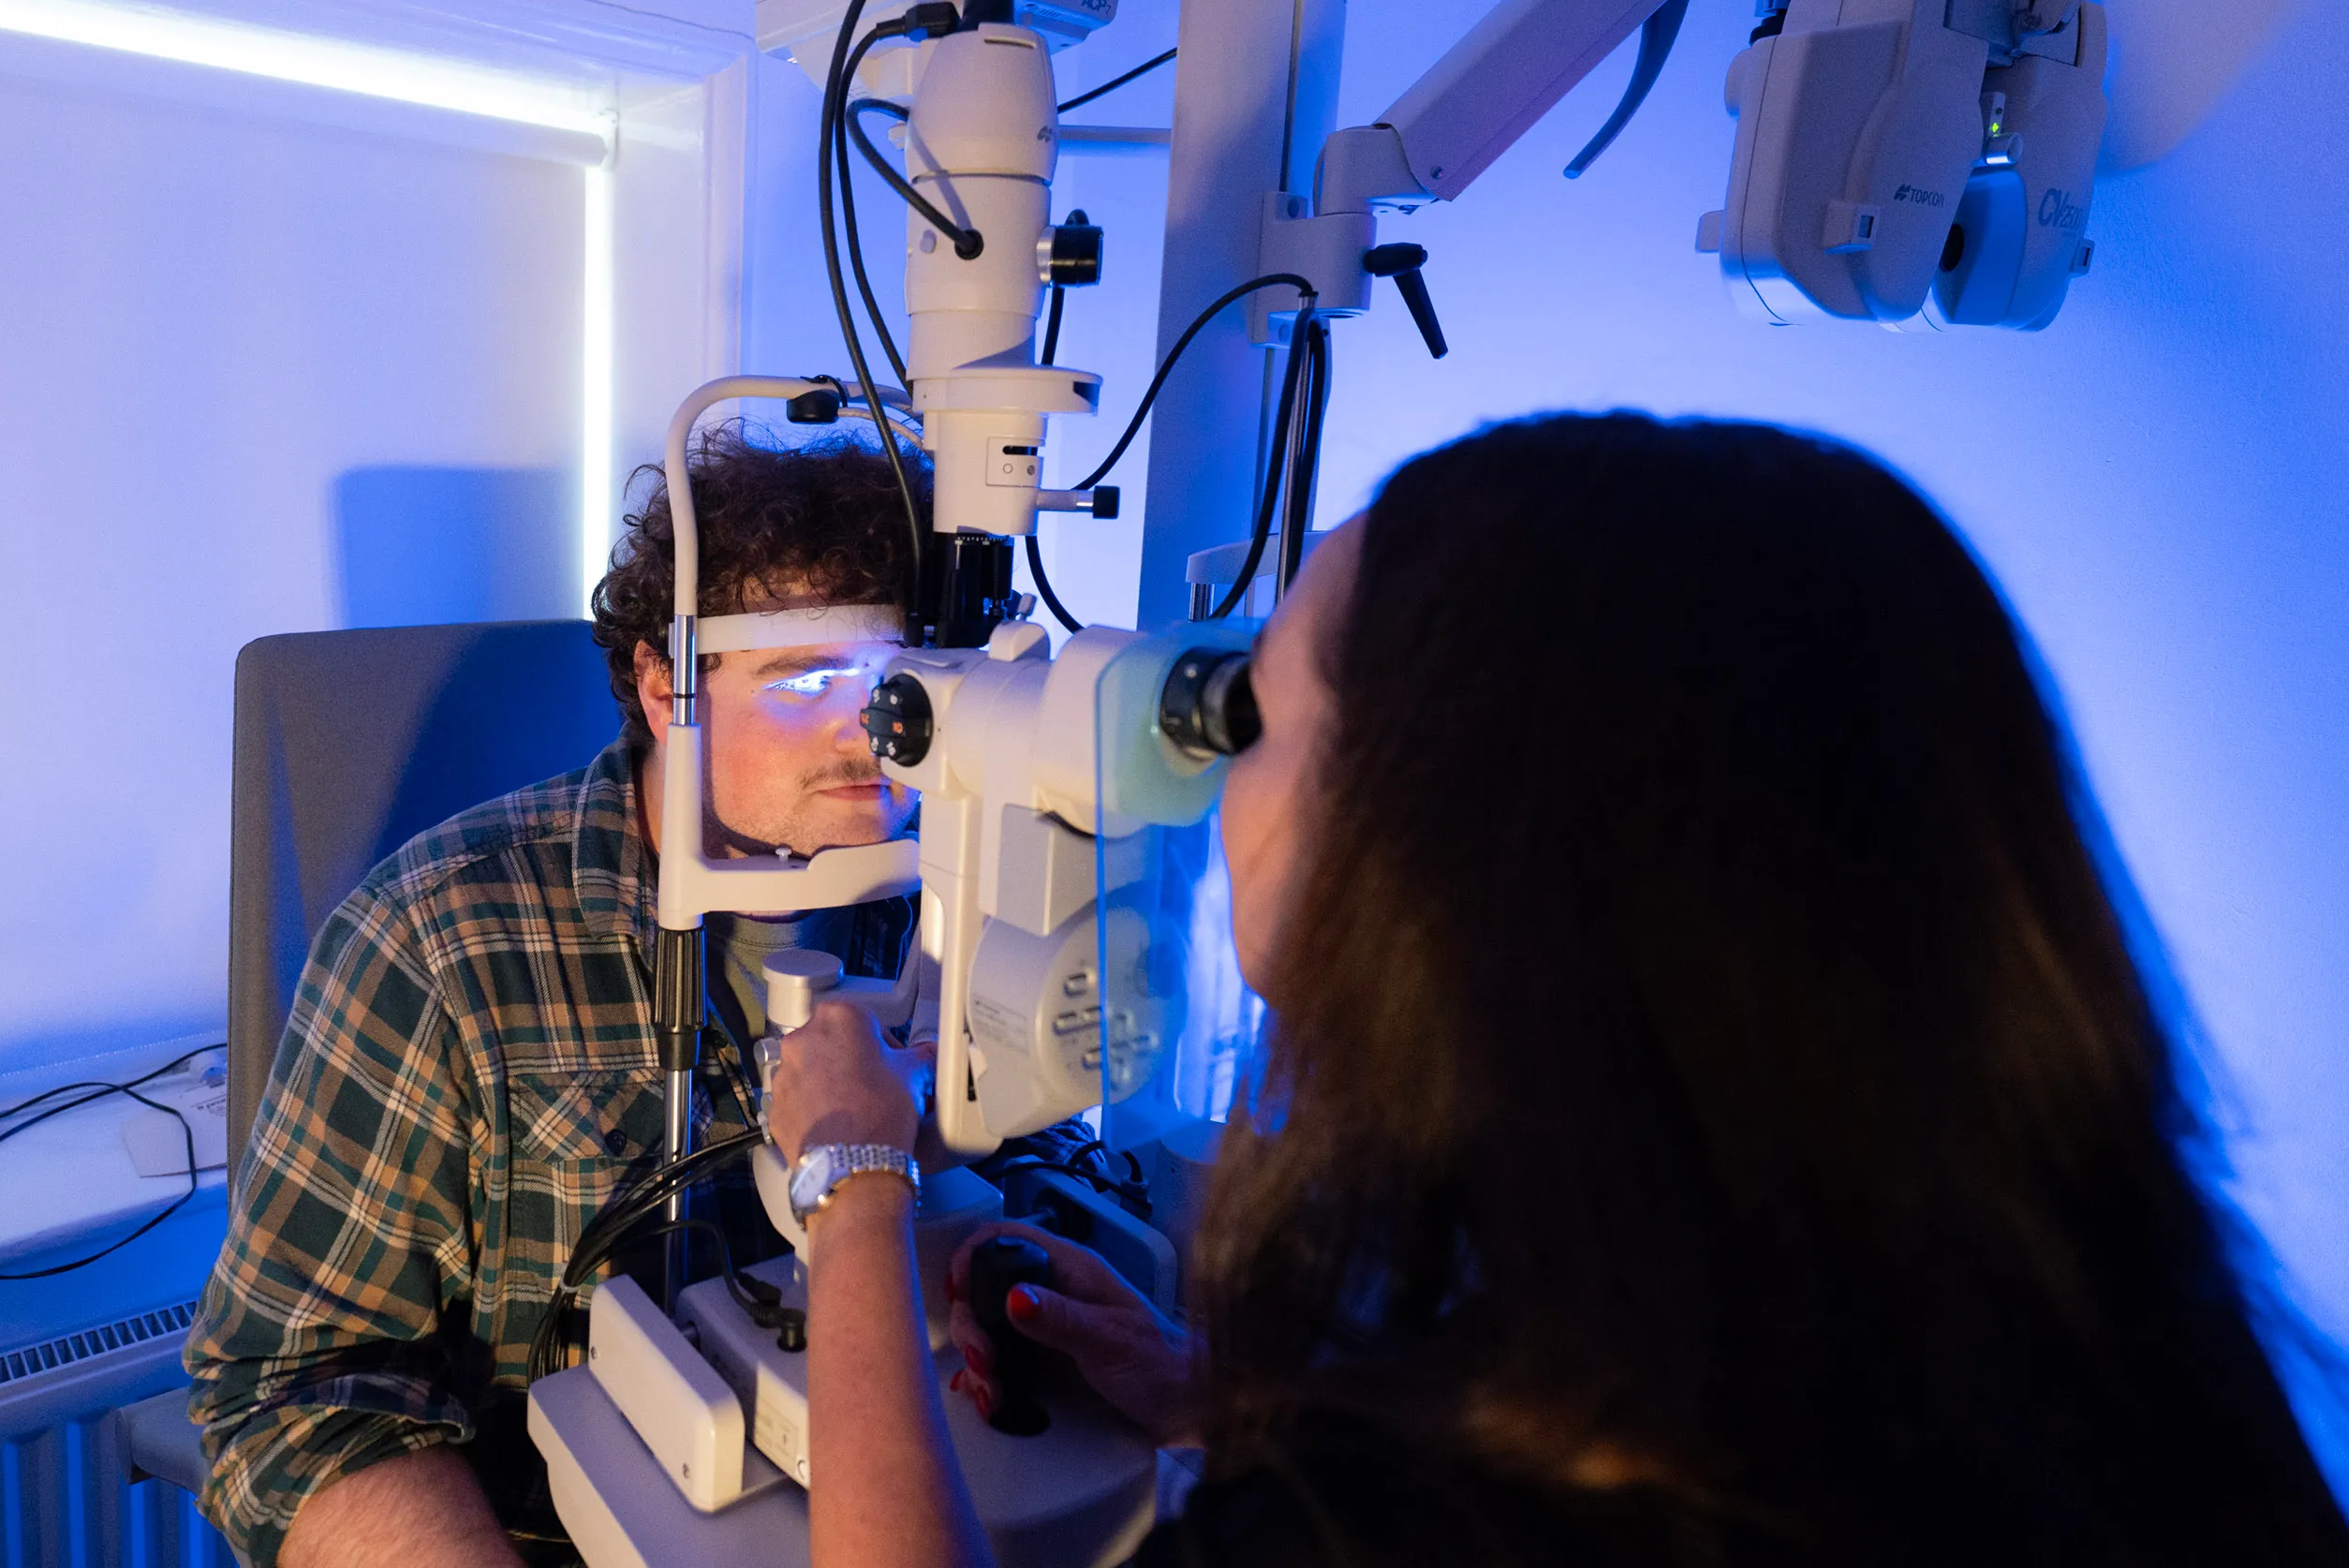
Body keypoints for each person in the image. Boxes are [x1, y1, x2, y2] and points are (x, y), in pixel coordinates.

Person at [770, 411, 2349, 1567]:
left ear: (1444, 848)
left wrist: (854, 1186)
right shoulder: (2171, 1380)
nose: (1219, 780)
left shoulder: (1395, 1536)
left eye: (1256, 713)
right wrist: (1233, 1402)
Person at [188, 421, 926, 1568]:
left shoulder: (951, 905)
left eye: (898, 681)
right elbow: (284, 1409)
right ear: (663, 683)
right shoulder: (440, 944)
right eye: (810, 678)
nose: (869, 732)